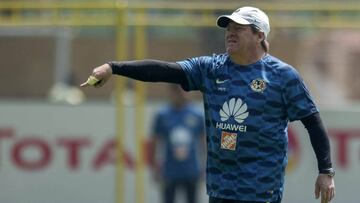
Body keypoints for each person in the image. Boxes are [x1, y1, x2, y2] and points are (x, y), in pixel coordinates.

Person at [81, 6, 335, 203]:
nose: (230, 32)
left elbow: (313, 122)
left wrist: (326, 171)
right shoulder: (211, 68)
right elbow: (165, 71)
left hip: (260, 191)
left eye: (240, 28)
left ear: (260, 35)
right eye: (228, 28)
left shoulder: (283, 76)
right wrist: (113, 67)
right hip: (220, 189)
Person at [148, 84, 205, 203]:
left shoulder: (197, 114)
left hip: (191, 170)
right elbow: (154, 143)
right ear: (172, 92)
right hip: (170, 171)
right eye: (178, 91)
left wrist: (206, 167)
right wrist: (154, 168)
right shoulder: (162, 115)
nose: (182, 94)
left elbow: (204, 143)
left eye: (185, 91)